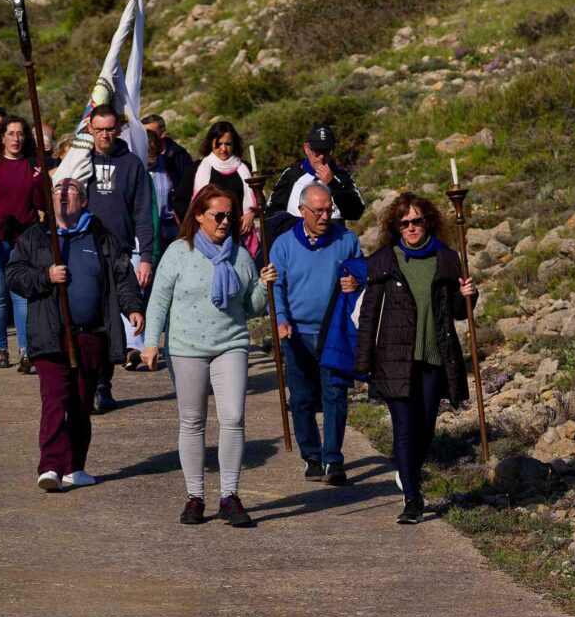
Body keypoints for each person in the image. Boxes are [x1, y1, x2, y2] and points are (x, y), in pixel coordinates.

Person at [142, 184, 277, 526]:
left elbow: (251, 307)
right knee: (192, 421)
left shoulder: (240, 256)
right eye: (218, 216)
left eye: (230, 216)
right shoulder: (178, 252)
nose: (225, 222)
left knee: (233, 417)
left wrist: (264, 285)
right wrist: (150, 342)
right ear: (199, 216)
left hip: (231, 344)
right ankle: (195, 497)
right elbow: (159, 300)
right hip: (186, 348)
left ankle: (230, 496)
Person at [6, 177, 145, 492]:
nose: (63, 194)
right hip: (50, 333)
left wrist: (133, 307)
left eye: (71, 190)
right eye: (58, 190)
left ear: (84, 201)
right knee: (55, 400)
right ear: (51, 199)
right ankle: (50, 466)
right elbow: (14, 275)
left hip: (90, 334)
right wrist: (45, 276)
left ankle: (74, 466)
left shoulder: (100, 236)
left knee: (82, 402)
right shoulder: (36, 237)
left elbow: (122, 275)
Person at [355, 192, 477, 524]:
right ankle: (412, 498)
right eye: (404, 223)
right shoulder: (384, 261)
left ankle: (408, 472)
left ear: (428, 222)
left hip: (434, 357)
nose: (410, 227)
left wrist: (469, 295)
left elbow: (457, 311)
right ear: (395, 227)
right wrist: (363, 363)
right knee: (405, 428)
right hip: (394, 358)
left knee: (425, 429)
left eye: (416, 221)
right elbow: (369, 316)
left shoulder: (447, 259)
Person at [271, 182, 363, 485]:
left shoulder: (346, 240)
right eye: (318, 211)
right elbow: (276, 286)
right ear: (302, 211)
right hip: (296, 332)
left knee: (335, 394)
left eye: (329, 210)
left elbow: (362, 273)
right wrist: (281, 319)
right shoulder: (284, 245)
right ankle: (312, 456)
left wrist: (356, 282)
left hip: (333, 332)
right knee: (301, 398)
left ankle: (333, 459)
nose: (325, 216)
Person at [83, 104, 155, 409]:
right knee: (87, 323)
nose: (104, 135)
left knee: (109, 323)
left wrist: (146, 255)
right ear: (89, 129)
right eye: (99, 129)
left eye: (110, 129)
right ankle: (86, 386)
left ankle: (104, 385)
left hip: (120, 252)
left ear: (118, 129)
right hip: (84, 250)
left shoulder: (131, 164)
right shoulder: (81, 159)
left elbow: (143, 212)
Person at [0, 115, 44, 370]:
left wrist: (39, 182)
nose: (16, 138)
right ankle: (1, 349)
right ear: (1, 136)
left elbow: (41, 204)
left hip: (24, 239)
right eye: (11, 133)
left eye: (21, 133)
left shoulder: (32, 164)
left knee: (22, 295)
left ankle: (25, 351)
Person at [266, 125, 365, 240]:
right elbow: (271, 213)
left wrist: (332, 184)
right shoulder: (291, 174)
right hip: (296, 241)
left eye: (327, 151)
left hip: (332, 242)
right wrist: (300, 225)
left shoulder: (342, 177)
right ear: (306, 149)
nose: (322, 157)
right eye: (317, 151)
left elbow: (356, 212)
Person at [173, 122, 257, 252]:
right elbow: (180, 203)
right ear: (210, 143)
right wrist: (198, 225)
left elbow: (260, 201)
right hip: (205, 239)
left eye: (228, 144)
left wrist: (251, 214)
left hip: (240, 236)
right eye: (218, 144)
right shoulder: (197, 169)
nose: (223, 149)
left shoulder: (244, 168)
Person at [146, 129, 179, 254]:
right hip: (149, 226)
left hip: (168, 224)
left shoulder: (167, 166)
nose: (149, 160)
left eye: (153, 155)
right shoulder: (137, 169)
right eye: (146, 154)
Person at [142, 113, 193, 189]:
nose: (147, 137)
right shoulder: (136, 155)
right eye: (143, 133)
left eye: (151, 133)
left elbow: (188, 184)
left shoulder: (180, 156)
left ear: (162, 133)